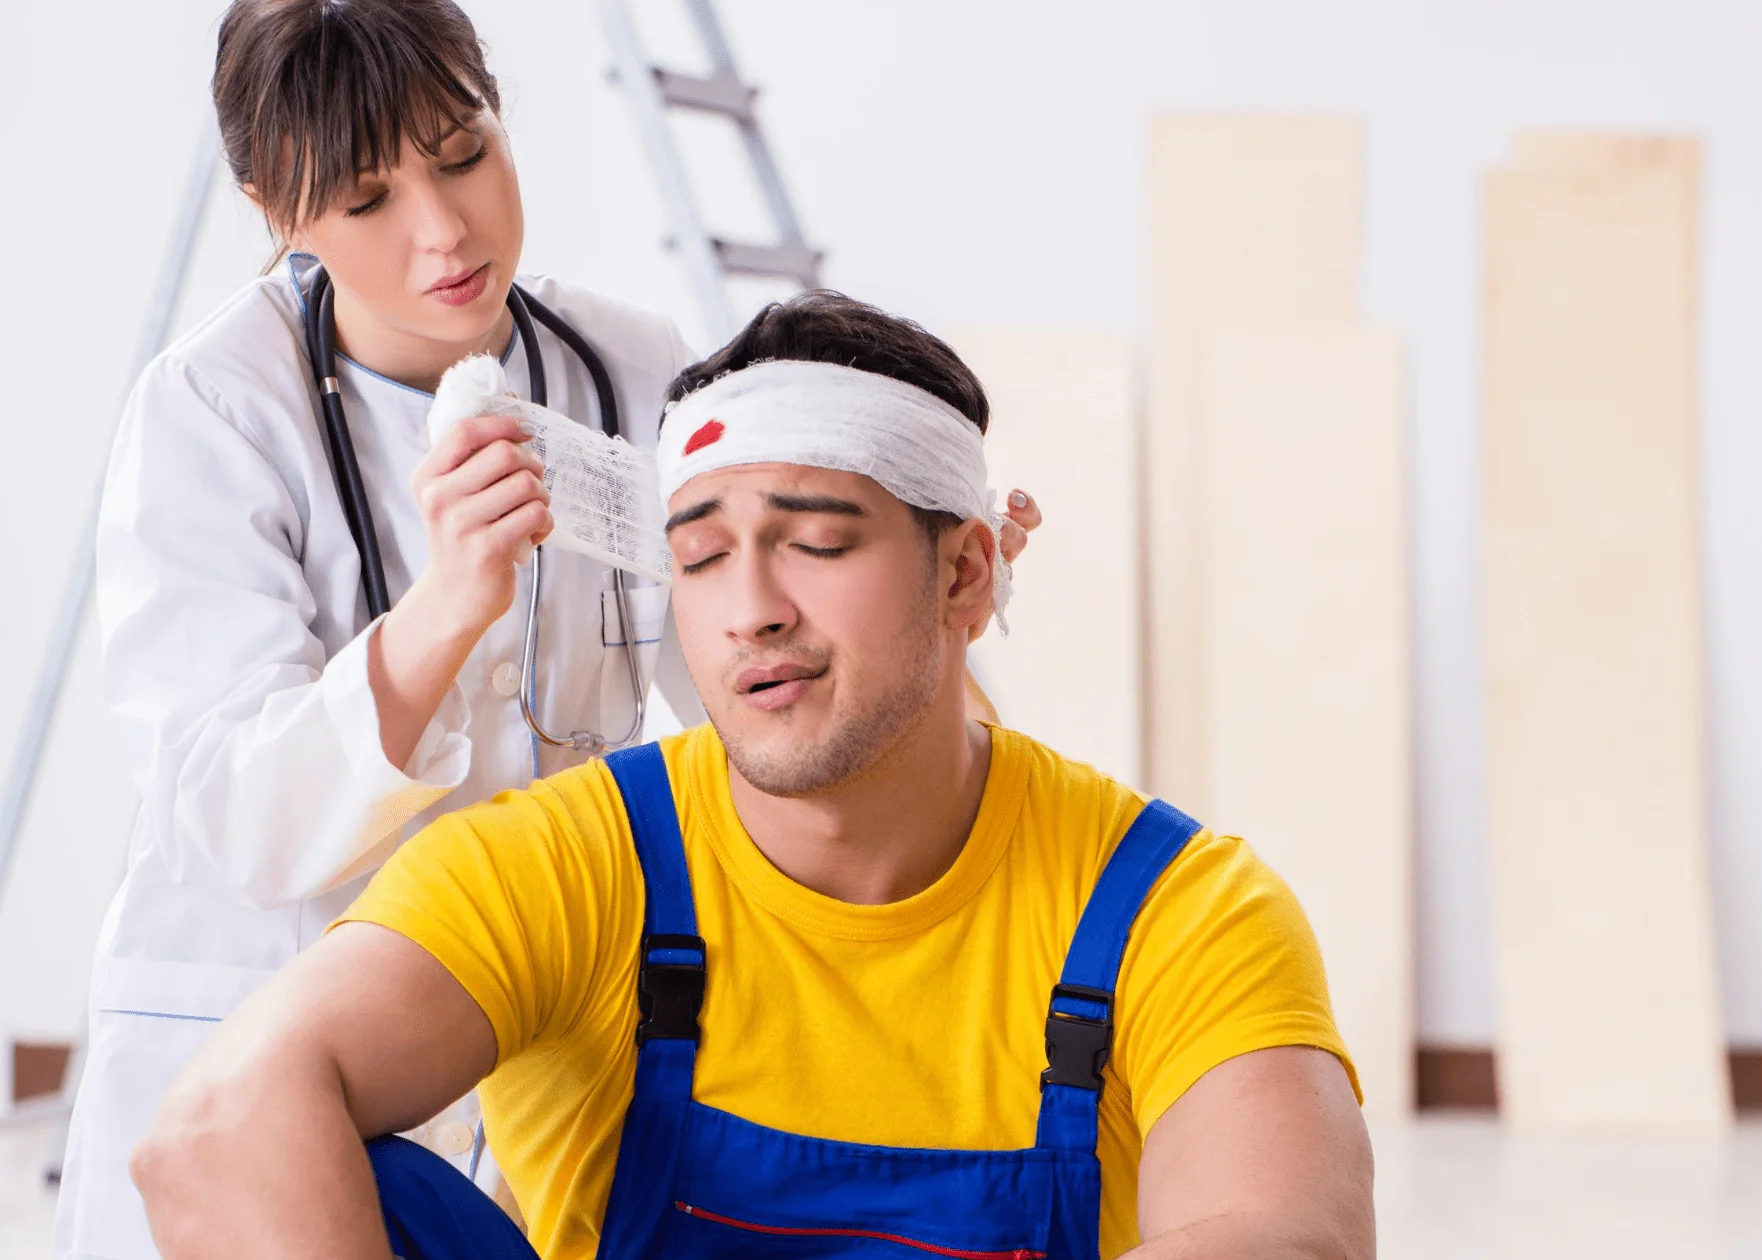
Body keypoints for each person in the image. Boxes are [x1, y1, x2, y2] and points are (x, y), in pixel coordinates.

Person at [57, 4, 1039, 1255]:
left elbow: (766, 685)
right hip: (254, 1039)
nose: (444, 231)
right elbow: (237, 823)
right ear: (277, 212)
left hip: (518, 1040)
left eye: (463, 152)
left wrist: (934, 604)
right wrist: (449, 608)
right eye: (365, 202)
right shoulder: (211, 413)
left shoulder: (631, 371)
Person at [129, 293, 1376, 1260]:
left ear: (966, 576)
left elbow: (1283, 1237)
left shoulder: (1176, 909)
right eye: (705, 557)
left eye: (817, 543)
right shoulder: (573, 864)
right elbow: (211, 1130)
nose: (748, 614)